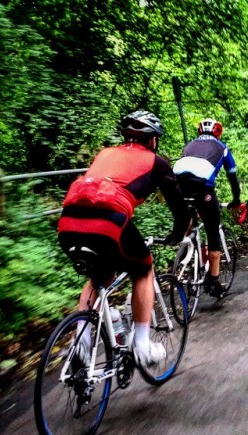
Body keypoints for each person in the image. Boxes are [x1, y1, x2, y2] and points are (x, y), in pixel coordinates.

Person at [58, 110, 189, 370]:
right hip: (108, 222)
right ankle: (141, 343)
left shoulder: (105, 153)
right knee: (143, 268)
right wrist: (179, 232)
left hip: (68, 222)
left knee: (99, 277)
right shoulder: (156, 162)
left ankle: (81, 341)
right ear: (153, 140)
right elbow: (178, 205)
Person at [173, 118, 241, 298]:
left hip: (178, 187)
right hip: (203, 190)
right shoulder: (223, 148)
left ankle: (183, 253)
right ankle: (213, 280)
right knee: (212, 230)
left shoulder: (189, 146)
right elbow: (232, 178)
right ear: (218, 133)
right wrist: (236, 199)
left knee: (188, 218)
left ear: (199, 132)